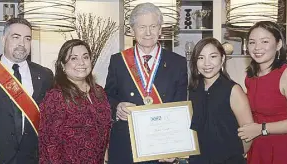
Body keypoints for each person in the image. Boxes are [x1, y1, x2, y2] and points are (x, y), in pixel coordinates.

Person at [104, 2, 188, 164]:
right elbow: (107, 97)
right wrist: (117, 107)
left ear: (160, 29)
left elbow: (181, 107)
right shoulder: (118, 61)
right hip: (125, 146)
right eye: (142, 27)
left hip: (162, 147)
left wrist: (175, 148)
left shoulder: (178, 63)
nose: (148, 32)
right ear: (133, 30)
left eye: (153, 26)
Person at [0, 18, 54, 164]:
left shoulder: (45, 75)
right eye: (16, 37)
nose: (22, 43)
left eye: (27, 38)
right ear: (3, 40)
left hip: (32, 159)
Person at [238, 21, 287, 164]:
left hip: (286, 150)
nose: (257, 47)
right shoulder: (251, 77)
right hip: (259, 147)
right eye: (252, 42)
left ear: (278, 44)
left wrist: (262, 129)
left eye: (265, 41)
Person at [38, 39, 111, 163]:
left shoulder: (99, 92)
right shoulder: (56, 96)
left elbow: (106, 131)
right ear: (62, 65)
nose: (81, 63)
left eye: (85, 57)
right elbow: (49, 145)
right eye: (74, 58)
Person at [187, 38, 254, 164]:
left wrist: (234, 155)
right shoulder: (193, 90)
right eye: (201, 58)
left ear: (222, 59)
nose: (207, 63)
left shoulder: (233, 90)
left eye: (213, 56)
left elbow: (248, 133)